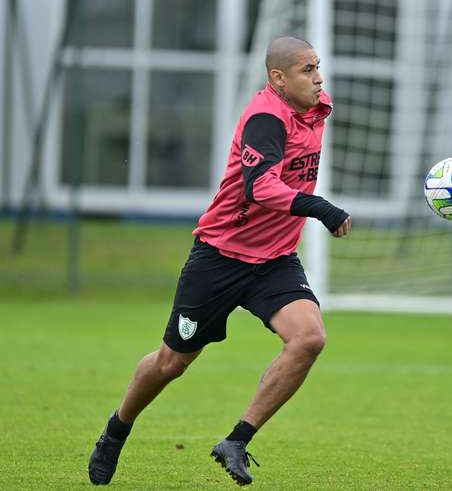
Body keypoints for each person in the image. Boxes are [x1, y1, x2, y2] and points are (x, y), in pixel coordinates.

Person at [88, 36, 352, 487]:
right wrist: (321, 208)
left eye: (318, 67)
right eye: (308, 70)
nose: (319, 78)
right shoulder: (266, 116)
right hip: (220, 256)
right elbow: (259, 187)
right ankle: (116, 430)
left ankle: (237, 440)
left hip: (275, 260)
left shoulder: (318, 106)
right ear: (278, 78)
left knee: (308, 338)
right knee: (171, 363)